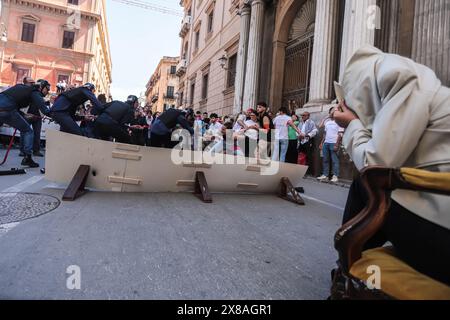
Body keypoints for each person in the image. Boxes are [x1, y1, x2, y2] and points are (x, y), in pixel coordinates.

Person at [334, 45, 450, 285]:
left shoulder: (402, 78)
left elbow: (376, 164)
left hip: (443, 237)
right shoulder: (421, 81)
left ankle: (345, 274)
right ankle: (349, 273)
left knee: (365, 186)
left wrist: (354, 125)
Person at [0, 79, 51, 167]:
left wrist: (23, 115)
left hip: (5, 107)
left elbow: (11, 101)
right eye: (47, 89)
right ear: (41, 87)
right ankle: (27, 158)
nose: (48, 91)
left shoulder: (19, 87)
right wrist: (58, 115)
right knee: (28, 131)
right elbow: (45, 110)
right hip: (7, 109)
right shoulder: (34, 92)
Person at [318, 107, 344, 183]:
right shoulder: (327, 122)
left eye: (334, 112)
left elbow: (340, 134)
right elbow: (323, 131)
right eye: (331, 112)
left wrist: (337, 144)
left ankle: (335, 176)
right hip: (326, 143)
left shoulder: (340, 121)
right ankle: (325, 175)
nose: (333, 113)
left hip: (334, 143)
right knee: (325, 159)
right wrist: (321, 143)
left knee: (334, 160)